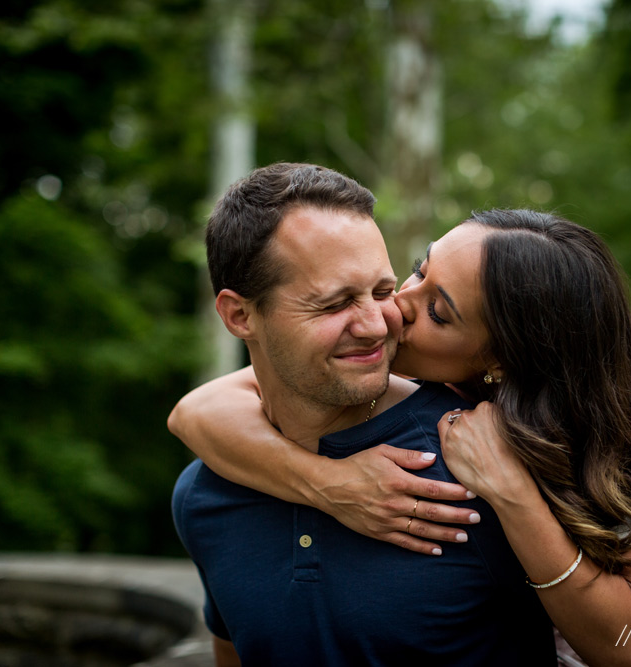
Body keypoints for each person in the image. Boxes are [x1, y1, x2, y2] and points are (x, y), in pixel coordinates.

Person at [171, 201, 631, 665]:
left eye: (437, 310)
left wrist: (512, 491)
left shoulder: (601, 455)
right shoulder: (378, 372)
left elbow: (629, 648)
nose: (394, 308)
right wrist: (329, 482)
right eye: (418, 269)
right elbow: (197, 411)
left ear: (502, 359)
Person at [171, 162, 556, 666]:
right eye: (335, 304)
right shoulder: (204, 497)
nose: (377, 326)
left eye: (381, 291)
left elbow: (630, 639)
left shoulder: (486, 466)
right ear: (240, 316)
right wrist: (323, 481)